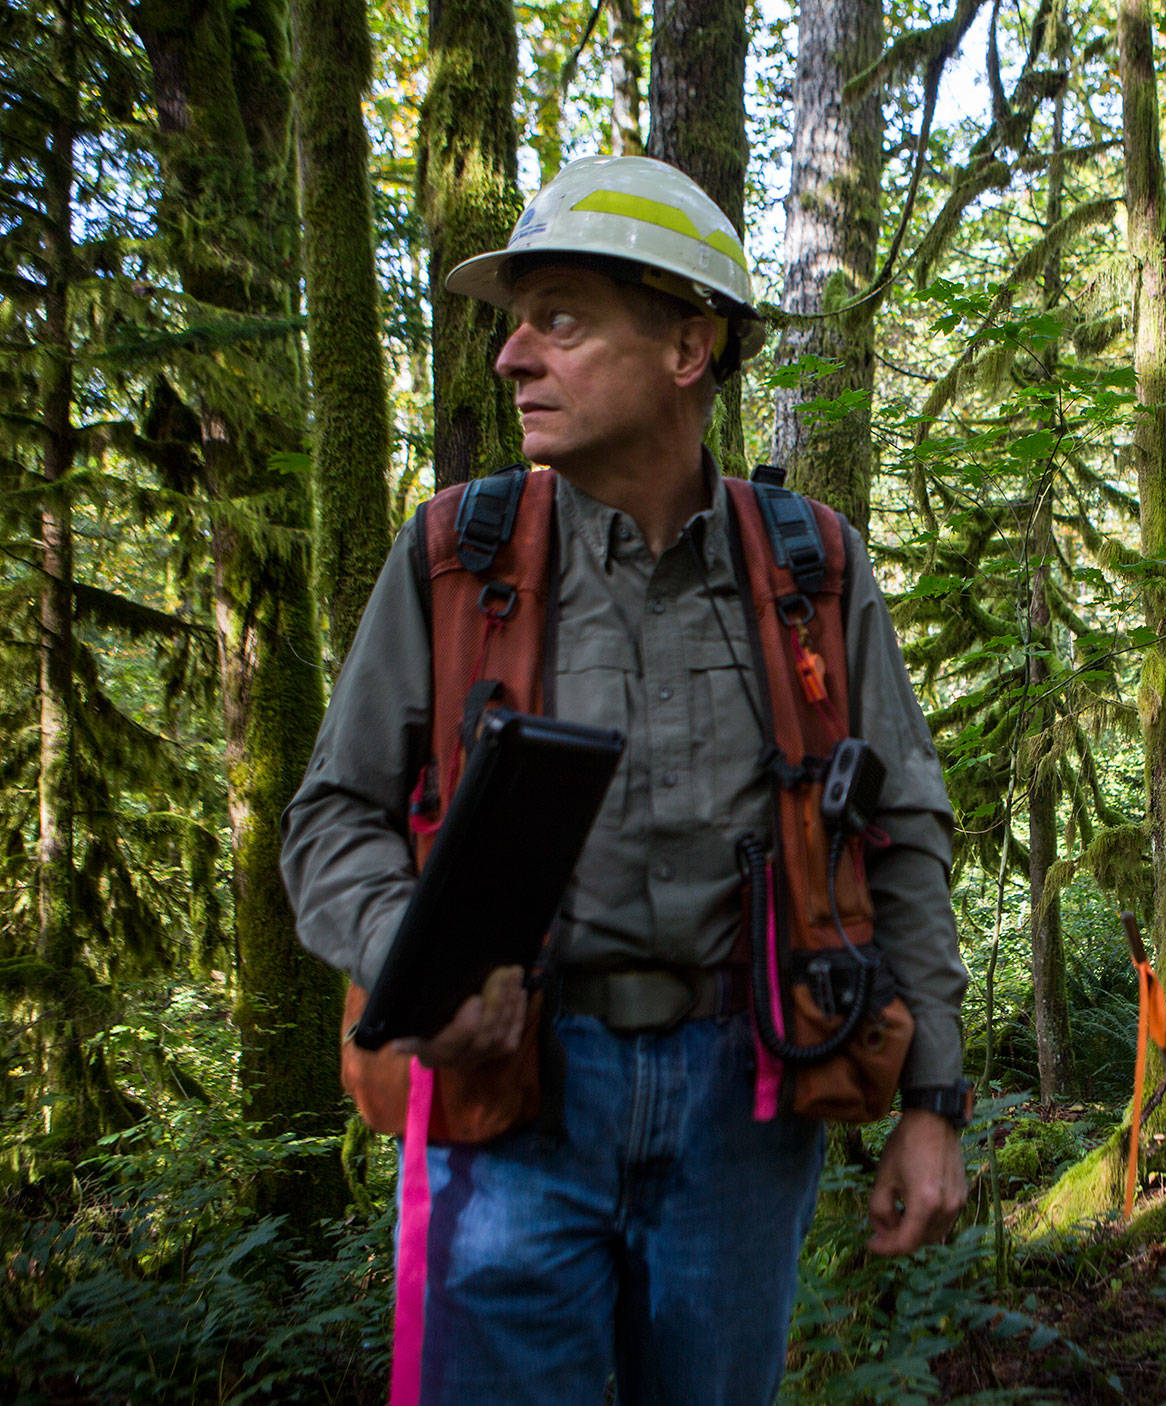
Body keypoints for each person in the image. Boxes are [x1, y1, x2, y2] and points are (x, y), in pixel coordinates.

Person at [280, 155, 971, 1403]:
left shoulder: (810, 565)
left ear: (687, 347)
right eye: (514, 324)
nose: (511, 358)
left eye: (560, 319)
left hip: (743, 1109)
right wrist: (415, 958)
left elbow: (900, 828)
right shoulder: (454, 557)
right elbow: (332, 816)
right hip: (514, 1103)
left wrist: (933, 1100)